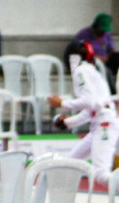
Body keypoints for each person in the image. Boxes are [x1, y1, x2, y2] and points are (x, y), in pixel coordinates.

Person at [48, 40, 119, 188]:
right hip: (101, 123)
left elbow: (88, 101)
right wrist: (68, 122)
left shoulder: (81, 71)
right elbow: (92, 109)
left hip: (105, 125)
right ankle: (59, 202)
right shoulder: (92, 72)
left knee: (101, 175)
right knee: (71, 162)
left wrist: (62, 103)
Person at [75, 13, 119, 90]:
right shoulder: (84, 35)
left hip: (106, 60)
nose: (103, 32)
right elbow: (79, 51)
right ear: (96, 26)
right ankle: (112, 91)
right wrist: (97, 57)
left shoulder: (106, 35)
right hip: (91, 61)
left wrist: (108, 57)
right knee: (106, 71)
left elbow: (111, 49)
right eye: (101, 30)